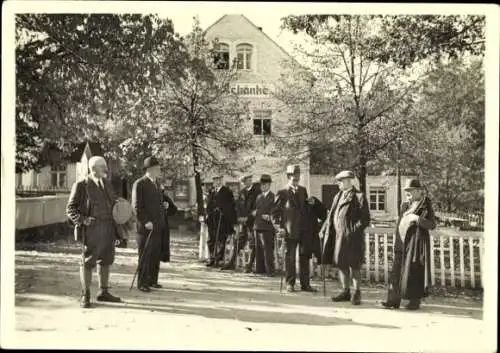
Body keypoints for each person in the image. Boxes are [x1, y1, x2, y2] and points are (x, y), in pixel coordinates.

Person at [66, 156, 124, 308]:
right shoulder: (82, 185)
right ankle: (85, 295)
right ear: (93, 168)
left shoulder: (107, 183)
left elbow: (113, 201)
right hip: (92, 229)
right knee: (87, 261)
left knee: (106, 259)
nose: (106, 169)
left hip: (109, 228)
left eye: (105, 166)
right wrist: (83, 220)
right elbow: (70, 208)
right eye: (102, 166)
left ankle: (103, 292)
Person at [381, 178, 436, 310]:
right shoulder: (405, 205)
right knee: (395, 273)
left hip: (414, 245)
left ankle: (414, 302)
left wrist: (417, 219)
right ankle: (393, 301)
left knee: (413, 272)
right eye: (406, 191)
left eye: (410, 191)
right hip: (401, 243)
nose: (407, 193)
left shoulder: (425, 204)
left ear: (418, 191)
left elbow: (432, 224)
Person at [323, 170, 370, 305]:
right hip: (339, 237)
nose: (339, 184)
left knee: (354, 265)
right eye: (339, 181)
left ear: (349, 181)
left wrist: (352, 231)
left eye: (341, 181)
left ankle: (357, 293)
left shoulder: (359, 196)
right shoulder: (338, 196)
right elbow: (332, 215)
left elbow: (365, 219)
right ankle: (345, 291)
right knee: (341, 264)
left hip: (353, 238)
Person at [271, 165, 316, 292]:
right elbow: (274, 213)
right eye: (294, 178)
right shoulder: (282, 192)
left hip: (304, 230)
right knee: (290, 258)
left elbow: (305, 209)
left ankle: (305, 284)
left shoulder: (303, 190)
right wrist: (279, 228)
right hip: (289, 230)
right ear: (288, 177)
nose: (296, 181)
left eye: (298, 178)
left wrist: (312, 204)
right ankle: (290, 283)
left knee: (304, 257)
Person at [131, 156, 166, 292]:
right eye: (157, 168)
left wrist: (164, 205)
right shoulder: (139, 183)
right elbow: (136, 206)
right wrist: (145, 221)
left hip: (157, 225)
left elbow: (156, 204)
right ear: (150, 169)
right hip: (145, 227)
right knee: (145, 255)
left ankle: (152, 280)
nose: (159, 171)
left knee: (155, 254)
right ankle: (142, 283)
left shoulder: (156, 184)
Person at [222, 174, 261, 272]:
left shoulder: (257, 192)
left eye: (249, 180)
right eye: (246, 180)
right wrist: (239, 218)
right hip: (243, 223)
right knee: (238, 241)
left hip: (253, 223)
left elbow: (257, 208)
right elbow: (238, 207)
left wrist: (248, 218)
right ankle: (231, 262)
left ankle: (250, 265)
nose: (248, 182)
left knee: (253, 243)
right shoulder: (241, 193)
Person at [205, 175, 237, 267]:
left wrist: (222, 211)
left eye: (218, 180)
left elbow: (230, 206)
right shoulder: (212, 191)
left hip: (222, 220)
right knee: (211, 240)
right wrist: (208, 213)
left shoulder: (227, 192)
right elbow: (208, 204)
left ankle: (219, 258)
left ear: (221, 180)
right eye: (214, 180)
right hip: (212, 220)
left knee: (221, 240)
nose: (216, 182)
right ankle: (211, 257)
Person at [253, 174, 276, 276]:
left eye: (265, 184)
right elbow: (255, 209)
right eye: (262, 185)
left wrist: (270, 216)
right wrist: (254, 212)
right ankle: (260, 269)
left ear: (269, 185)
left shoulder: (273, 197)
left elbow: (276, 211)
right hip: (258, 226)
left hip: (268, 227)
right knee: (259, 249)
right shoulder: (258, 197)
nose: (263, 186)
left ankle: (270, 271)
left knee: (268, 250)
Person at [159, 184, 178, 263]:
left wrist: (167, 209)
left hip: (163, 221)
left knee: (164, 239)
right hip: (155, 221)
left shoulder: (165, 198)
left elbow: (174, 209)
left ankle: (164, 257)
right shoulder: (151, 197)